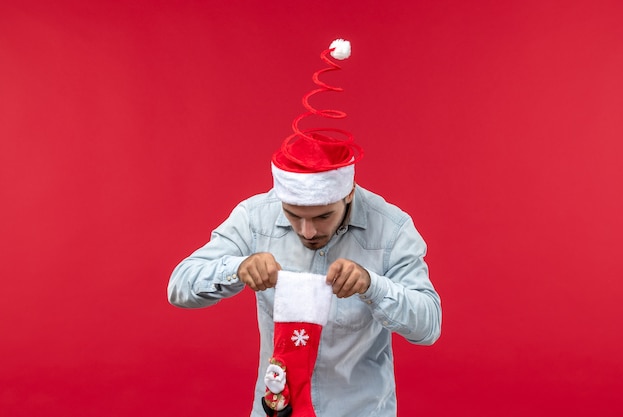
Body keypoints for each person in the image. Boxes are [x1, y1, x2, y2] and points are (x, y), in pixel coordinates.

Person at [168, 39, 442, 417]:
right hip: (277, 408)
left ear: (347, 195)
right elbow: (179, 286)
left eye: (322, 217)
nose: (307, 231)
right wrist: (237, 268)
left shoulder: (391, 228)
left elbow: (428, 325)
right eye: (293, 215)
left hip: (361, 410)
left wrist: (372, 285)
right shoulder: (255, 217)